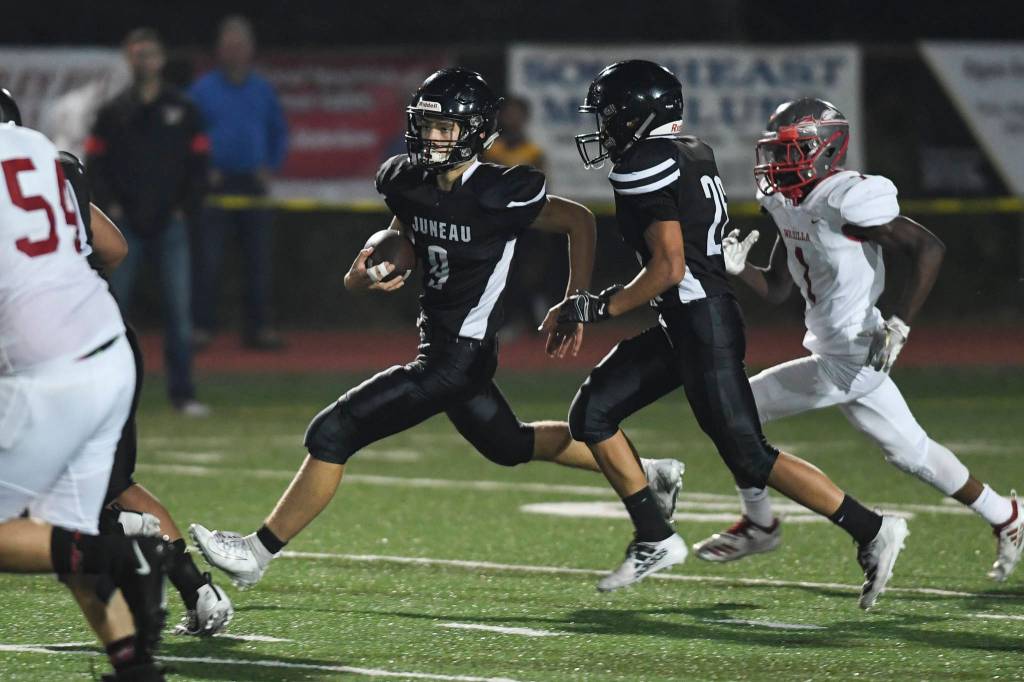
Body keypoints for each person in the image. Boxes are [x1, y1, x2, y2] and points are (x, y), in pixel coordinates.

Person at [188, 68, 683, 589]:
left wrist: (573, 298)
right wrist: (367, 275)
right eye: (427, 125)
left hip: (458, 358)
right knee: (508, 445)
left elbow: (579, 220)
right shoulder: (406, 181)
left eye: (446, 127)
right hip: (443, 344)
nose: (433, 137)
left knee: (333, 433)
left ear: (474, 131)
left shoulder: (500, 191)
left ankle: (256, 552)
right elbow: (404, 231)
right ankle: (648, 473)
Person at [551, 60, 906, 608]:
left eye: (612, 115)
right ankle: (655, 534)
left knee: (749, 454)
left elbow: (668, 266)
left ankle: (872, 528)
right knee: (593, 412)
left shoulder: (646, 162)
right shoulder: (692, 151)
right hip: (690, 318)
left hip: (702, 323)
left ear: (641, 116)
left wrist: (596, 308)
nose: (605, 127)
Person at [691, 98, 1022, 582]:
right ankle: (1007, 516)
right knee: (914, 453)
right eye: (777, 152)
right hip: (839, 349)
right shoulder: (787, 200)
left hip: (856, 352)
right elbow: (782, 288)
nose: (779, 163)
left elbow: (929, 247)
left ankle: (761, 524)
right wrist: (740, 271)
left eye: (792, 150)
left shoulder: (845, 197)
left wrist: (901, 324)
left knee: (734, 408)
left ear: (825, 149)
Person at [0, 88, 171, 682]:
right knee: (65, 530)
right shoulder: (38, 153)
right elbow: (107, 248)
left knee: (45, 538)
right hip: (107, 348)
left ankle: (124, 554)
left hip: (51, 369)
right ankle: (133, 664)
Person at [58, 150, 234, 635]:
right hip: (110, 336)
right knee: (115, 485)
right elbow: (114, 248)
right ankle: (199, 594)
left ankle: (124, 533)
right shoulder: (54, 170)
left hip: (54, 353)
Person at [86, 27, 209, 416]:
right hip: (124, 229)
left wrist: (184, 207)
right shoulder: (111, 112)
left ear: (161, 59)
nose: (145, 62)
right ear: (129, 59)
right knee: (113, 313)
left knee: (179, 314)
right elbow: (96, 165)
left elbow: (200, 164)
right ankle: (111, 397)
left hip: (170, 224)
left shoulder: (183, 108)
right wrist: (111, 208)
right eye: (138, 55)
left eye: (151, 54)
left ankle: (183, 394)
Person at [189, 15, 288, 350]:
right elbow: (188, 135)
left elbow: (279, 131)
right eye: (228, 45)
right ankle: (201, 330)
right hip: (215, 187)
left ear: (251, 50)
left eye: (240, 45)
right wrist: (203, 168)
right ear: (219, 50)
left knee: (258, 263)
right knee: (208, 262)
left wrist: (270, 165)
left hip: (252, 184)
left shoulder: (262, 88)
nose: (234, 52)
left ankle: (258, 331)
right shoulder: (202, 90)